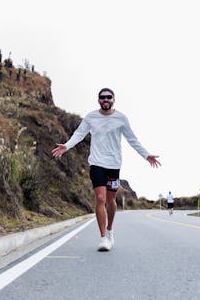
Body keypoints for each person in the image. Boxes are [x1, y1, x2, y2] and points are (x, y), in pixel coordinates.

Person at [52, 88, 161, 251]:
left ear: (113, 100)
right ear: (98, 100)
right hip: (96, 163)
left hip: (114, 165)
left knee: (111, 200)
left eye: (108, 97)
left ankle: (110, 230)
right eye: (102, 97)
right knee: (100, 198)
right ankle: (103, 238)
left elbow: (132, 140)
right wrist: (66, 146)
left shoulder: (121, 118)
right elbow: (79, 134)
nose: (105, 100)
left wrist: (146, 155)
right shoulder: (91, 117)